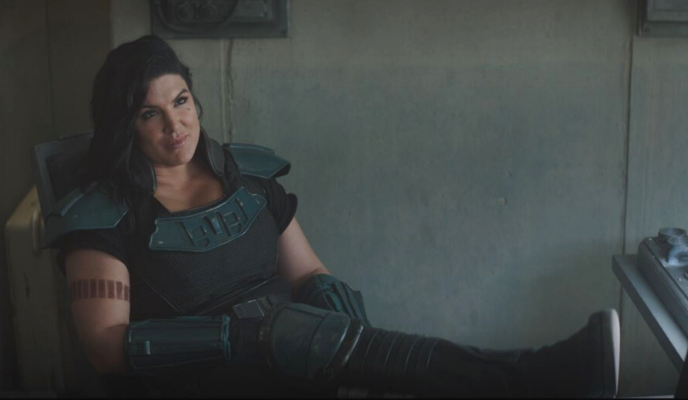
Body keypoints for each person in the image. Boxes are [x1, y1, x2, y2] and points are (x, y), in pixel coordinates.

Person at [45, 35, 620, 398]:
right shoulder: (101, 216)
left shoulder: (250, 179)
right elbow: (105, 347)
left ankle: (543, 376)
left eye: (180, 101)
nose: (176, 125)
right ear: (124, 126)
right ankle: (542, 376)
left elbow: (310, 274)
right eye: (150, 114)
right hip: (202, 377)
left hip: (297, 358)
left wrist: (350, 335)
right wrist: (244, 338)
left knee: (376, 352)